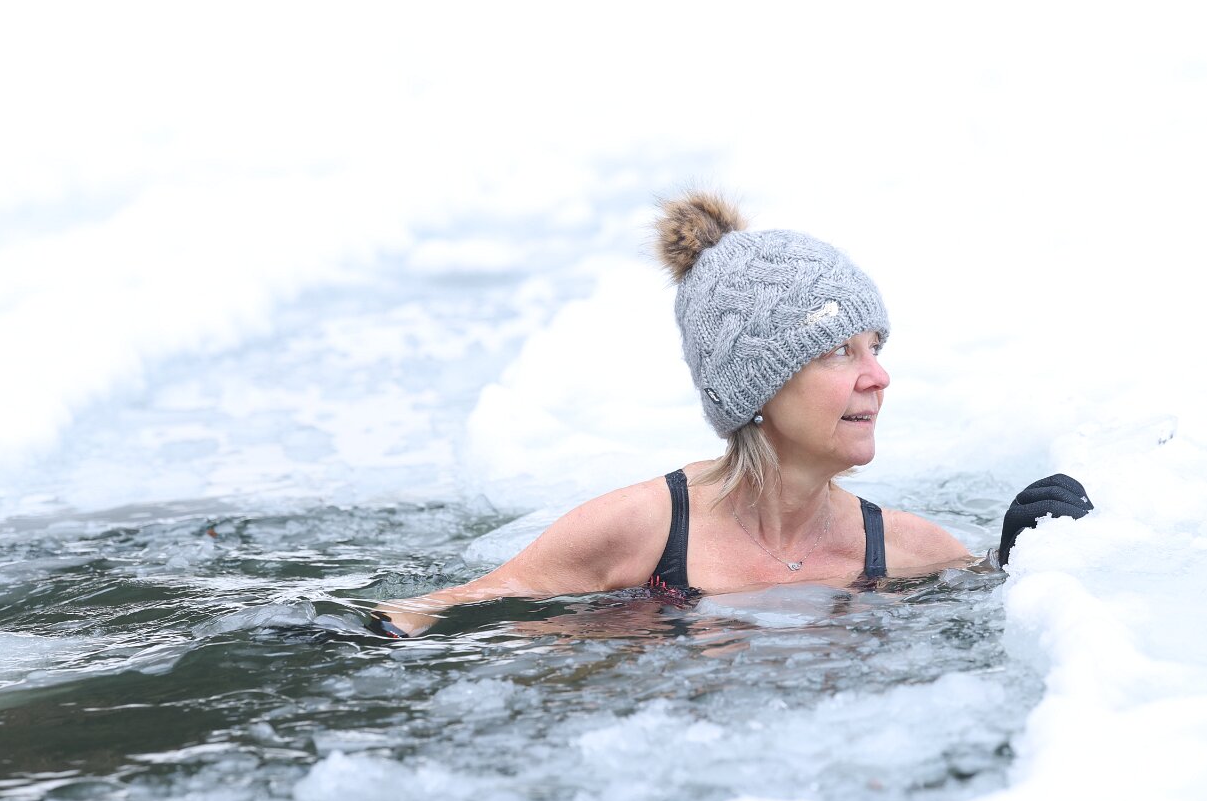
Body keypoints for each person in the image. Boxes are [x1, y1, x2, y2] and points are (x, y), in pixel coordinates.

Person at [368, 191, 1091, 638]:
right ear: (757, 389)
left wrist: (1018, 557)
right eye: (838, 352)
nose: (878, 376)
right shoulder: (647, 528)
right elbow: (450, 608)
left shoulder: (907, 548)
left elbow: (981, 601)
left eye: (875, 347)